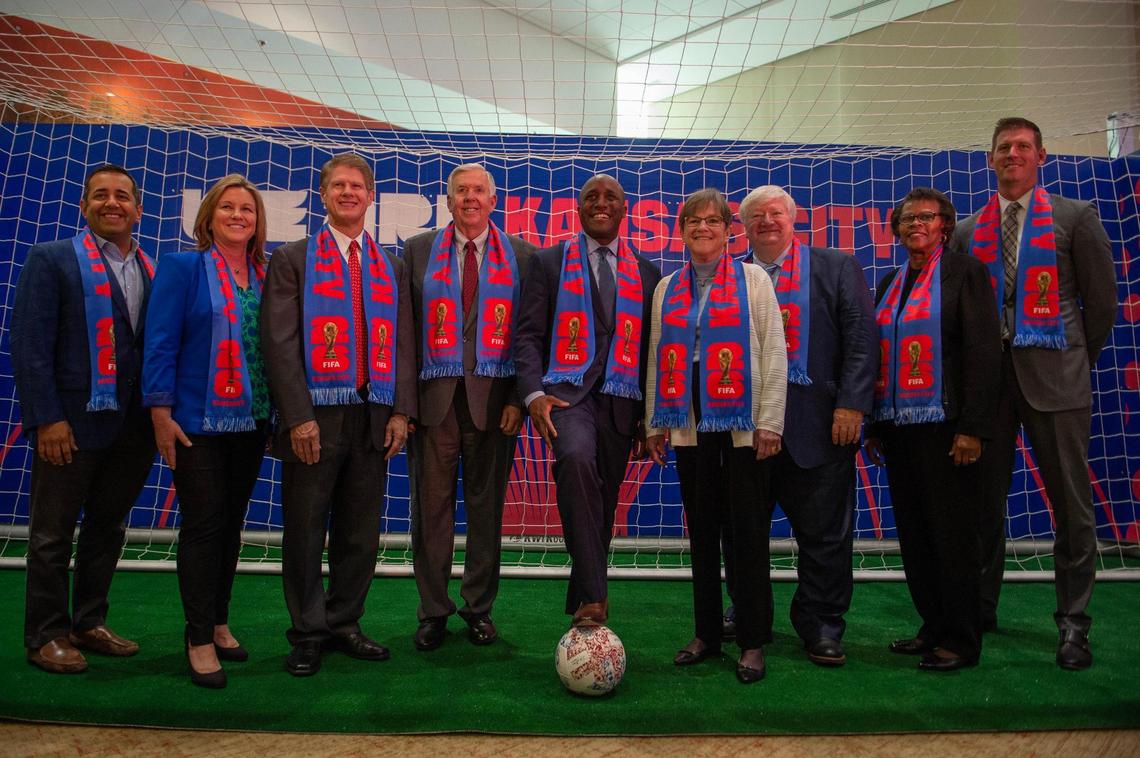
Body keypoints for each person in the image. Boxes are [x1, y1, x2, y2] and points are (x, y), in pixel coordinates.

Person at [951, 117, 1117, 670]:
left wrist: (1070, 361)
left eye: (1023, 146)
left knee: (1072, 508)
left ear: (1041, 155)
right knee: (980, 507)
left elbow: (1102, 306)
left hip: (1058, 384)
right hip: (987, 392)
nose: (1013, 155)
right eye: (1003, 148)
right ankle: (980, 607)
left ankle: (1073, 623)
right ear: (990, 160)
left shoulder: (1075, 217)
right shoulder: (968, 229)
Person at [261, 153, 416, 677]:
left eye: (357, 186)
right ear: (323, 195)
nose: (349, 193)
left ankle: (345, 621)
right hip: (314, 420)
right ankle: (307, 631)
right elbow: (279, 344)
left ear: (370, 196)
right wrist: (298, 417)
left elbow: (404, 345)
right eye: (338, 186)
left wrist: (402, 411)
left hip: (373, 417)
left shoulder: (390, 265)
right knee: (305, 528)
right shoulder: (293, 258)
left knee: (360, 531)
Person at [12, 164, 156, 674]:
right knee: (51, 535)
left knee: (107, 529)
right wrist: (47, 419)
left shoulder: (150, 269)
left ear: (138, 209)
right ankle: (45, 635)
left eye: (122, 196)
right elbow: (29, 347)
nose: (111, 203)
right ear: (84, 206)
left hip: (132, 430)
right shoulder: (52, 260)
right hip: (68, 426)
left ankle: (88, 622)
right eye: (100, 195)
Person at [646, 188, 787, 684]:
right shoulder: (667, 287)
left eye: (713, 221)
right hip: (689, 417)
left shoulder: (753, 280)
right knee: (701, 529)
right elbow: (658, 355)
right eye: (693, 221)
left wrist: (771, 420)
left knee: (746, 531)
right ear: (681, 229)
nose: (702, 228)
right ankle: (706, 631)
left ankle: (751, 640)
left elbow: (773, 351)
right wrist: (654, 421)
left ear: (730, 230)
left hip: (745, 419)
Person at [738, 185, 877, 667]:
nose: (767, 220)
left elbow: (862, 340)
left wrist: (852, 406)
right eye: (756, 215)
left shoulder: (835, 267)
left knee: (824, 537)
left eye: (775, 212)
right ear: (744, 226)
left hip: (818, 427)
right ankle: (750, 613)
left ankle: (821, 625)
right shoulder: (732, 275)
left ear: (794, 219)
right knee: (744, 534)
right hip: (746, 431)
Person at [514, 174, 660, 628]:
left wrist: (648, 418)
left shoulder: (648, 271)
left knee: (604, 499)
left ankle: (584, 594)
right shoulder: (549, 262)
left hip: (621, 402)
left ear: (623, 208)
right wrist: (534, 393)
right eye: (590, 197)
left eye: (610, 198)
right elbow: (527, 335)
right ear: (577, 208)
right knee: (575, 463)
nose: (600, 203)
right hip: (566, 396)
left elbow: (654, 351)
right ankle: (597, 597)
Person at [864, 187, 1001, 672]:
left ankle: (962, 639)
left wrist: (973, 429)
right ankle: (933, 625)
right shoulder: (889, 282)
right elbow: (880, 357)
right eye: (906, 219)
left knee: (953, 536)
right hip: (900, 431)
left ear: (946, 224)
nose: (915, 225)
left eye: (926, 217)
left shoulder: (967, 274)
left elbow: (984, 355)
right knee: (916, 535)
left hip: (949, 430)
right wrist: (876, 427)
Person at [142, 174, 271, 688]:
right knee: (203, 525)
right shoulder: (183, 267)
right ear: (208, 217)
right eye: (228, 207)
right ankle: (196, 639)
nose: (238, 215)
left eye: (247, 209)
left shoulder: (265, 274)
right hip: (195, 422)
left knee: (232, 525)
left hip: (253, 419)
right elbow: (159, 342)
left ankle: (218, 621)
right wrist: (159, 411)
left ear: (259, 221)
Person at [403, 164, 535, 650]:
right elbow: (402, 335)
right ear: (449, 199)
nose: (470, 199)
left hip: (495, 405)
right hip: (433, 405)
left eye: (479, 191)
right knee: (430, 514)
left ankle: (479, 609)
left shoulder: (522, 255)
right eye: (462, 191)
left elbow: (529, 336)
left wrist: (520, 399)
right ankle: (433, 611)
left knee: (486, 514)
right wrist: (405, 404)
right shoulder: (417, 252)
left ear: (493, 200)